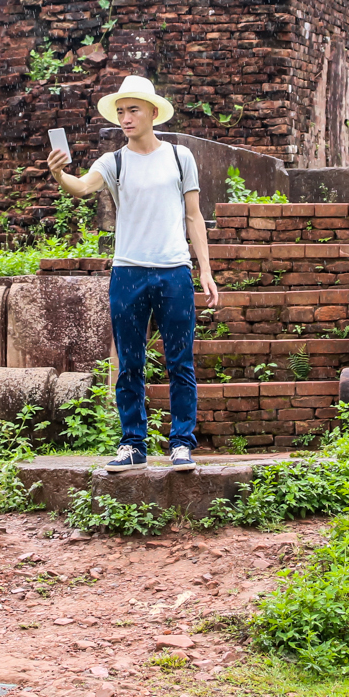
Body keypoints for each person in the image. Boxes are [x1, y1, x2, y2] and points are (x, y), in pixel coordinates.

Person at [47, 75, 219, 473]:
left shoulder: (180, 157)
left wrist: (205, 270)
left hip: (174, 271)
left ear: (153, 113)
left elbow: (194, 217)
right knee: (130, 362)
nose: (126, 118)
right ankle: (133, 444)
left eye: (133, 110)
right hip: (128, 272)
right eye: (121, 112)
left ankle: (181, 444)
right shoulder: (113, 161)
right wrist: (58, 175)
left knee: (180, 361)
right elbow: (81, 186)